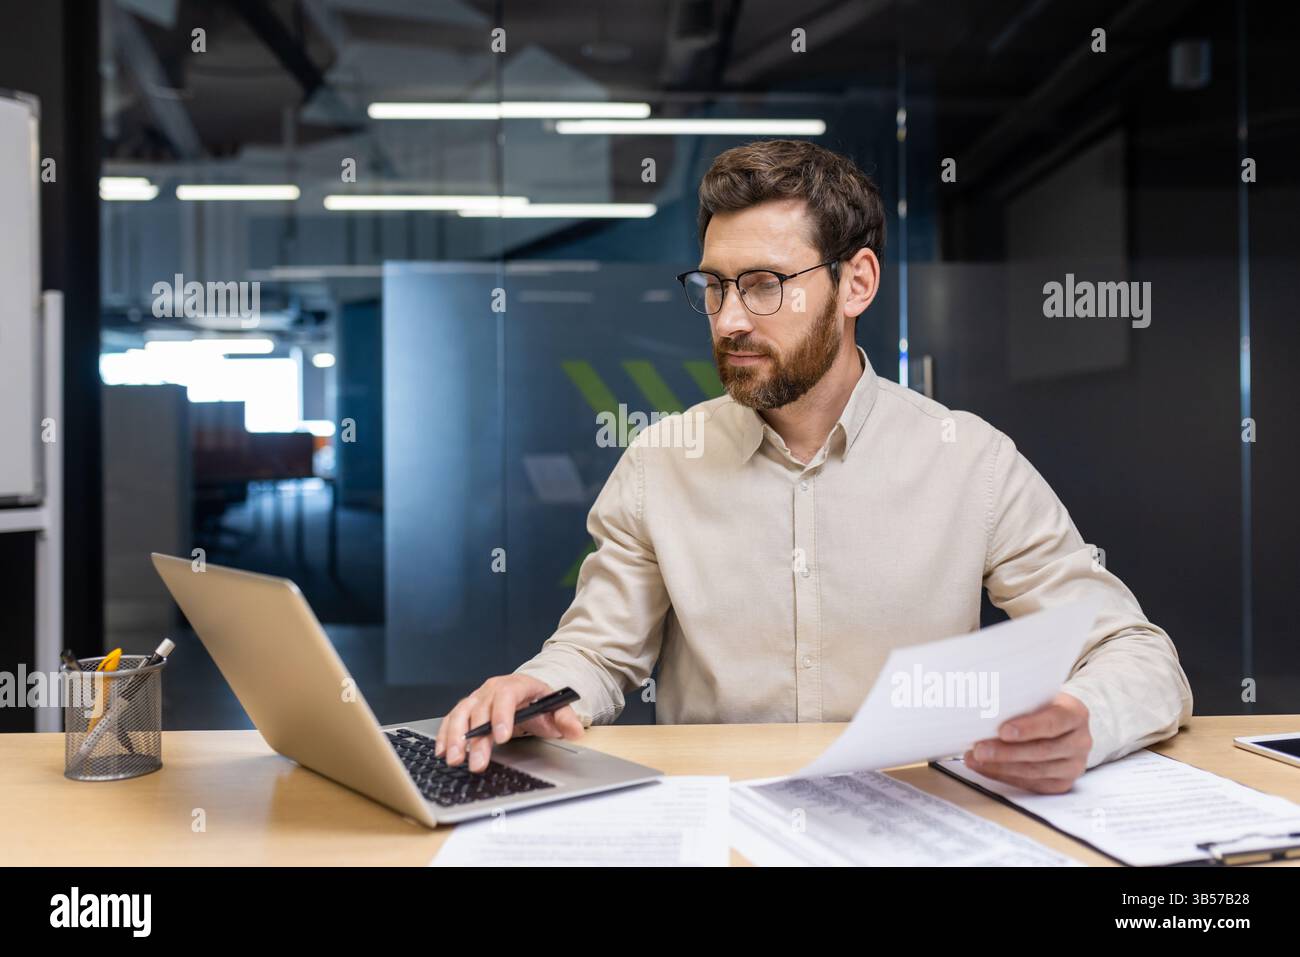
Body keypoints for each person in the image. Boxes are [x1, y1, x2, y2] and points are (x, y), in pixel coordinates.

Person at [434, 138, 1193, 794]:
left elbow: (1137, 653)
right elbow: (598, 652)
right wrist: (538, 686)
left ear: (856, 282)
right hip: (718, 825)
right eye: (714, 287)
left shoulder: (972, 462)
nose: (730, 318)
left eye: (765, 285)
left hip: (911, 827)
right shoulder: (660, 463)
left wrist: (1083, 720)